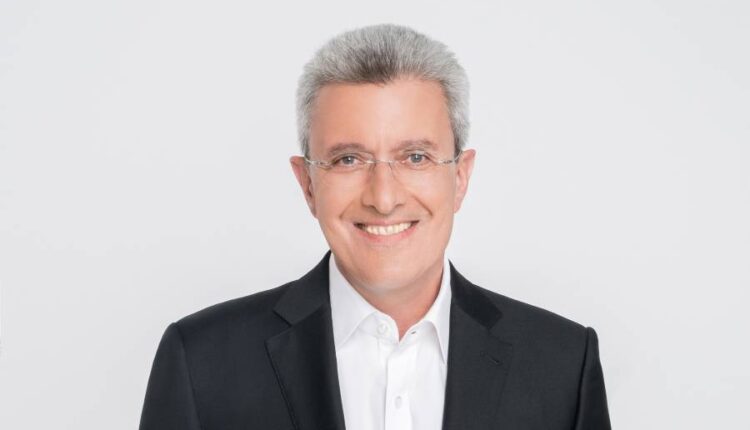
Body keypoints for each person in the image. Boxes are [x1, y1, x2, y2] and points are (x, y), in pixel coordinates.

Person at [139, 24, 612, 430]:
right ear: (308, 184)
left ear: (460, 177)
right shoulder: (201, 362)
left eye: (415, 157)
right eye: (348, 159)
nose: (383, 199)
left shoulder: (563, 364)